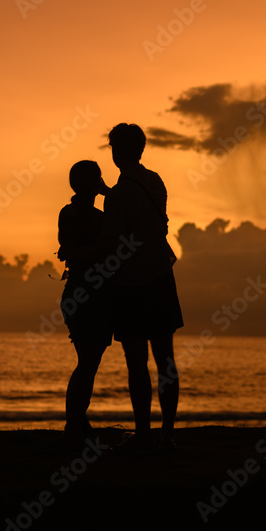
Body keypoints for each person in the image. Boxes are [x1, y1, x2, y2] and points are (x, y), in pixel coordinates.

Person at [102, 122, 183, 450]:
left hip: (133, 283)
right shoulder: (154, 181)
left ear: (117, 151)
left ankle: (143, 434)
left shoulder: (120, 192)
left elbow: (113, 239)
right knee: (166, 358)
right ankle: (167, 433)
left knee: (137, 362)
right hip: (161, 277)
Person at [57, 160, 114, 447]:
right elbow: (104, 248)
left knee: (86, 363)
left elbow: (70, 250)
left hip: (75, 293)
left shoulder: (66, 213)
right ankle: (74, 430)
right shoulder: (99, 219)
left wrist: (73, 252)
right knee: (87, 365)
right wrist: (108, 192)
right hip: (92, 296)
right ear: (96, 183)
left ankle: (79, 426)